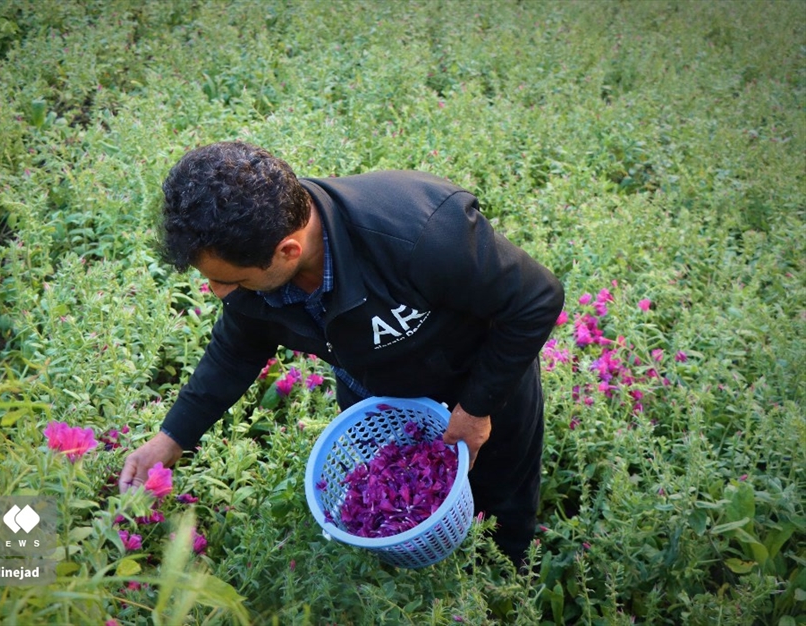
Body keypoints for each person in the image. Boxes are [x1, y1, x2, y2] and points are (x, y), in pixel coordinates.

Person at [118, 141, 564, 567]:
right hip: (376, 393)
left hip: (483, 382)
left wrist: (477, 408)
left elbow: (535, 300)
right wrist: (171, 437)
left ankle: (507, 582)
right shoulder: (255, 262)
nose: (218, 292)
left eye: (232, 281)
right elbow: (236, 352)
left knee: (502, 502)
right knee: (398, 505)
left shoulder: (420, 231)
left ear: (288, 250)